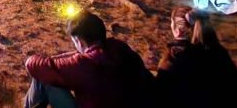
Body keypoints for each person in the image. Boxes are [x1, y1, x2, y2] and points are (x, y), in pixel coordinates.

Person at [24, 10, 154, 108]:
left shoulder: (85, 64)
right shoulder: (120, 47)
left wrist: (46, 59)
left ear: (79, 41)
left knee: (43, 79)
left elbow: (33, 65)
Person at [155, 7, 237, 108]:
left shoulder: (172, 60)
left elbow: (159, 97)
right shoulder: (218, 52)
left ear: (177, 30)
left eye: (172, 22)